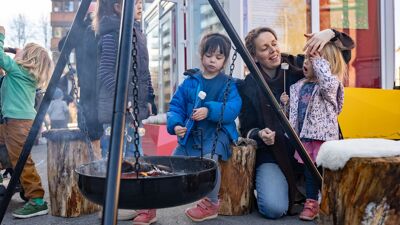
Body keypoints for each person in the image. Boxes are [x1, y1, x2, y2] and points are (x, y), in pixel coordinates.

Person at [238, 27, 354, 219]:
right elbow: (246, 128)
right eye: (265, 48)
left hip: (313, 146)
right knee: (273, 208)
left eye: (274, 43)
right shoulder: (249, 84)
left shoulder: (298, 65)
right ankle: (292, 189)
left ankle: (303, 191)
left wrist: (330, 34)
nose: (273, 50)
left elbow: (342, 55)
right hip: (274, 153)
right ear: (254, 56)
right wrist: (259, 134)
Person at [133, 33, 242, 225]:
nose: (212, 61)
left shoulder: (228, 84)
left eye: (218, 57)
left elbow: (233, 108)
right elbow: (176, 107)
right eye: (209, 55)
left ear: (225, 60)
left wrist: (209, 110)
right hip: (190, 135)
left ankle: (211, 203)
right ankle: (152, 204)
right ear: (201, 55)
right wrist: (176, 126)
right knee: (169, 166)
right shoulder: (190, 82)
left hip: (215, 134)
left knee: (210, 161)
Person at [93, 0, 155, 221]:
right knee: (114, 156)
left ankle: (130, 200)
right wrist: (124, 100)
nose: (140, 6)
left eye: (140, 2)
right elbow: (106, 73)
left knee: (133, 155)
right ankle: (113, 202)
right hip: (115, 108)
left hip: (134, 107)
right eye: (135, 2)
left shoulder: (139, 34)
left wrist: (149, 97)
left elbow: (144, 71)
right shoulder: (111, 35)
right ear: (119, 7)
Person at [279, 43, 346, 220]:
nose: (307, 62)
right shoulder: (298, 85)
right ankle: (311, 202)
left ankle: (330, 202)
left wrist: (319, 63)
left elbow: (327, 83)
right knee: (310, 172)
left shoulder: (330, 86)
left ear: (327, 64)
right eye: (307, 58)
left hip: (324, 139)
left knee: (327, 173)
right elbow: (293, 115)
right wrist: (284, 105)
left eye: (313, 58)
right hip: (305, 138)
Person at [0, 25, 53, 218]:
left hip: (17, 123)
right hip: (14, 122)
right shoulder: (24, 75)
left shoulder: (17, 71)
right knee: (14, 157)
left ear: (27, 58)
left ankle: (37, 200)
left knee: (21, 161)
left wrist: (1, 35)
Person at [58, 1, 103, 159]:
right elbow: (62, 45)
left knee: (92, 122)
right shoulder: (87, 29)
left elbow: (62, 45)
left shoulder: (95, 28)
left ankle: (94, 153)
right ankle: (95, 156)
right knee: (91, 122)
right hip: (93, 84)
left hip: (93, 83)